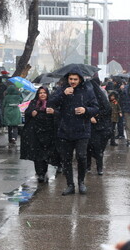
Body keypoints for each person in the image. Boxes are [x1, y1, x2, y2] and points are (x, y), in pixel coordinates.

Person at [48, 66, 99, 195]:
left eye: (75, 79)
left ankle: (81, 182)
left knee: (81, 156)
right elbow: (51, 103)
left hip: (82, 130)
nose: (73, 81)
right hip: (65, 130)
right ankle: (70, 184)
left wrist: (85, 110)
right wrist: (62, 94)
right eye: (71, 79)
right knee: (66, 159)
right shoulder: (62, 90)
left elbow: (95, 108)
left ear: (80, 79)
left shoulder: (87, 90)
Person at [20, 87, 58, 183]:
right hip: (35, 132)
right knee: (37, 154)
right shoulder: (33, 103)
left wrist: (53, 112)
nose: (42, 95)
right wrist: (31, 113)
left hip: (48, 132)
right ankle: (40, 173)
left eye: (44, 93)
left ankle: (44, 171)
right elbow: (27, 113)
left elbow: (59, 115)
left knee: (46, 153)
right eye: (40, 93)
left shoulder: (51, 103)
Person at [86, 78, 112, 175]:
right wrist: (89, 116)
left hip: (99, 127)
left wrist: (96, 115)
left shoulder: (100, 96)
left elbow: (107, 109)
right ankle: (87, 166)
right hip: (87, 126)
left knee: (98, 148)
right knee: (87, 148)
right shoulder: (86, 96)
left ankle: (99, 168)